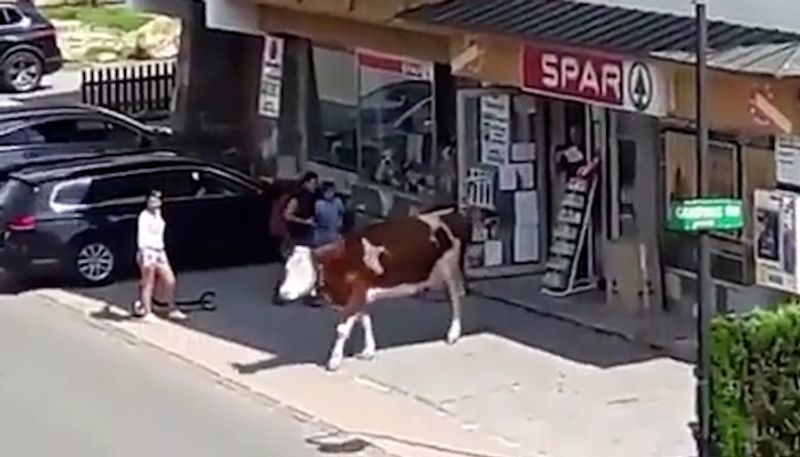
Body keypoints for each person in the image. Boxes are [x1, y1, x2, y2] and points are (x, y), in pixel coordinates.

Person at [135, 190, 186, 322]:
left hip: (160, 250)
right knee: (148, 282)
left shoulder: (159, 214)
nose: (154, 203)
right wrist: (145, 254)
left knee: (169, 280)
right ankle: (147, 312)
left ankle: (169, 308)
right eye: (151, 201)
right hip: (148, 251)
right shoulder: (144, 216)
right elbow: (142, 237)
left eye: (157, 200)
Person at [272, 171, 319, 306]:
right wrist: (305, 221)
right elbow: (287, 215)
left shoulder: (311, 197)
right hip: (297, 236)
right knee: (293, 266)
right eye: (312, 183)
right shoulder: (297, 198)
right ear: (305, 183)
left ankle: (310, 293)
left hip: (306, 235)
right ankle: (280, 293)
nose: (314, 186)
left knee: (310, 266)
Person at [314, 181, 345, 247]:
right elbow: (316, 218)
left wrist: (339, 224)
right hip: (321, 233)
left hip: (334, 232)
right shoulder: (319, 203)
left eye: (332, 191)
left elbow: (341, 214)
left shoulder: (338, 201)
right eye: (327, 191)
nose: (330, 194)